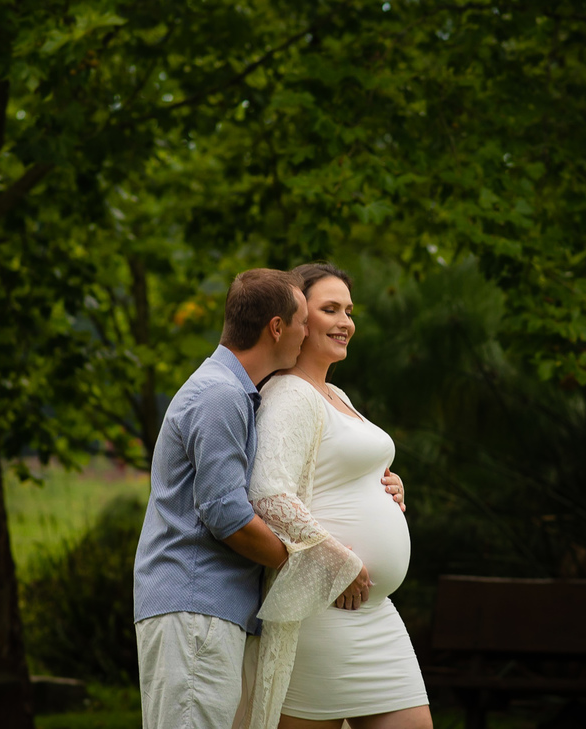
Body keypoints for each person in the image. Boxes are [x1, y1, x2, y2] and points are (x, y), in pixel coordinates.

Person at [241, 263, 431, 729]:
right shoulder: (290, 395)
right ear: (300, 321)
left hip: (374, 612)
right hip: (322, 610)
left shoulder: (334, 393)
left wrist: (386, 485)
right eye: (330, 309)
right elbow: (267, 493)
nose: (346, 321)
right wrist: (335, 561)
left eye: (349, 310)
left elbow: (337, 470)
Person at [133, 268, 306, 729]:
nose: (307, 334)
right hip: (196, 604)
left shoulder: (230, 391)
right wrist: (296, 560)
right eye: (303, 322)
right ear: (276, 327)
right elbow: (223, 512)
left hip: (202, 609)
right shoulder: (221, 395)